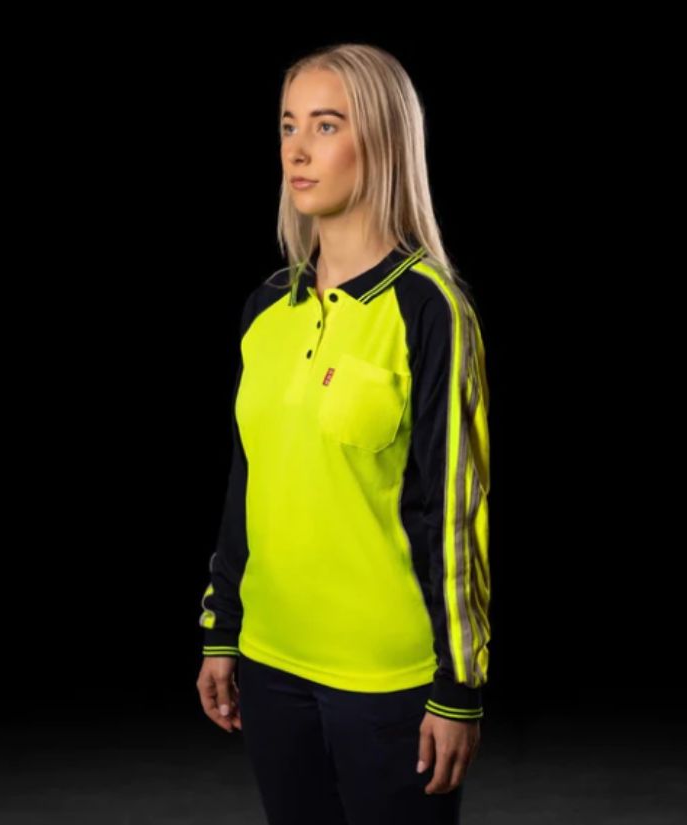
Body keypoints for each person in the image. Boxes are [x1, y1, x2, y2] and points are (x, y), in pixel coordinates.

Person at [195, 42, 492, 825]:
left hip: (388, 682)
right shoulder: (266, 308)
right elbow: (248, 484)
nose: (297, 148)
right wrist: (222, 631)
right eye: (289, 124)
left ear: (384, 141)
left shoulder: (429, 308)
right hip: (271, 665)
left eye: (326, 126)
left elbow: (454, 514)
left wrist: (458, 687)